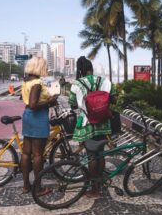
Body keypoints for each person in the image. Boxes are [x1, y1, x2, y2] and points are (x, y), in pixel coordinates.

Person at [68, 56, 116, 198]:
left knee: (91, 156)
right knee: (100, 153)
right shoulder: (104, 81)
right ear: (91, 68)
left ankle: (94, 188)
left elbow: (72, 104)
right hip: (103, 122)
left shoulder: (77, 84)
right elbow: (113, 99)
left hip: (87, 123)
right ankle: (99, 183)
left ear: (80, 70)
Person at [21, 56, 57, 195]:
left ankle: (26, 186)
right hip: (38, 117)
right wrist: (51, 100)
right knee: (37, 155)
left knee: (26, 152)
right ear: (39, 67)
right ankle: (38, 188)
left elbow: (29, 102)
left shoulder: (26, 80)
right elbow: (34, 104)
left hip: (27, 116)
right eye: (45, 66)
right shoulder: (36, 82)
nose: (46, 69)